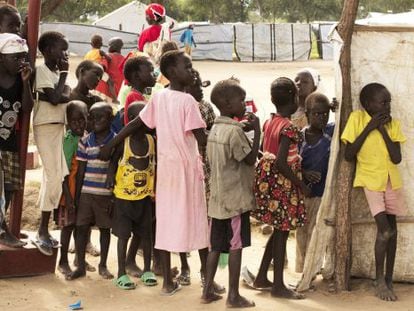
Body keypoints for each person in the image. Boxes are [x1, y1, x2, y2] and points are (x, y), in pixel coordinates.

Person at [99, 50, 209, 296]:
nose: (191, 71)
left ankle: (169, 282)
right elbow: (202, 139)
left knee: (167, 222)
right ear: (171, 73)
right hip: (186, 171)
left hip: (166, 171)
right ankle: (207, 281)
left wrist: (111, 143)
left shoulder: (159, 98)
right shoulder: (189, 102)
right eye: (187, 66)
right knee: (199, 222)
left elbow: (136, 124)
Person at [341, 83, 406, 301]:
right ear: (368, 104)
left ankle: (388, 278)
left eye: (389, 102)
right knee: (385, 231)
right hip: (371, 182)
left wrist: (381, 129)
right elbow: (349, 154)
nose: (388, 106)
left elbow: (396, 158)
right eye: (383, 102)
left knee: (393, 232)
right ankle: (378, 280)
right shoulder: (356, 120)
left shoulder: (392, 124)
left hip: (390, 181)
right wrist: (370, 127)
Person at [201, 79, 260, 308]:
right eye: (241, 100)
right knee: (236, 246)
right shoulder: (235, 132)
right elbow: (249, 159)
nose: (244, 104)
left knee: (216, 246)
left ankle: (207, 290)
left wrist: (242, 129)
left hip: (217, 200)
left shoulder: (216, 127)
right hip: (235, 200)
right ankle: (233, 296)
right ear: (227, 103)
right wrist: (257, 130)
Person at [250, 77, 310, 299]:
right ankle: (277, 286)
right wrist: (300, 184)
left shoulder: (270, 121)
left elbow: (267, 153)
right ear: (294, 98)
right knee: (283, 233)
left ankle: (261, 277)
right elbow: (282, 162)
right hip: (283, 185)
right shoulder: (289, 128)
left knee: (278, 231)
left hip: (270, 184)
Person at [107, 101, 157, 290]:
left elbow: (155, 164)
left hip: (144, 197)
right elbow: (113, 162)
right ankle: (121, 272)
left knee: (146, 234)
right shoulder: (124, 143)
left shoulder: (151, 141)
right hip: (123, 199)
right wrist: (110, 179)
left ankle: (147, 270)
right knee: (123, 236)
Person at [67, 102, 116, 281]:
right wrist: (77, 197)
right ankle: (80, 265)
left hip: (105, 194)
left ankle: (103, 264)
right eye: (92, 117)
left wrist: (113, 197)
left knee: (104, 229)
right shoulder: (85, 142)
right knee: (81, 228)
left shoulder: (115, 140)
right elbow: (80, 171)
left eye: (100, 117)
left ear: (111, 119)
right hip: (87, 193)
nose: (94, 121)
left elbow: (116, 167)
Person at [33, 31, 71, 256]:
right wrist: (64, 78)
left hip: (59, 126)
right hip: (45, 126)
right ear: (47, 51)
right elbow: (58, 98)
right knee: (53, 176)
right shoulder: (42, 71)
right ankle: (41, 229)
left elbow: (65, 96)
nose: (65, 54)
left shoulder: (55, 74)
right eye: (61, 49)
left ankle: (44, 228)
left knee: (57, 175)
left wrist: (59, 92)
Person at [295, 92, 334, 273]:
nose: (322, 117)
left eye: (325, 113)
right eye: (317, 114)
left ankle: (317, 267)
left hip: (323, 195)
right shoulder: (300, 138)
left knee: (319, 232)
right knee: (303, 234)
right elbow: (292, 165)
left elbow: (344, 120)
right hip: (305, 195)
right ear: (307, 115)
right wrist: (305, 173)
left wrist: (335, 107)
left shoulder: (330, 132)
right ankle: (305, 269)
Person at [0, 33, 33, 247]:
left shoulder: (21, 79)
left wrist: (26, 83)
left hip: (8, 140)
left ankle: (2, 226)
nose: (21, 63)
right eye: (15, 58)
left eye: (23, 58)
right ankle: (3, 231)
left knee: (11, 186)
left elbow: (28, 108)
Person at [54, 100, 88, 276]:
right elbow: (64, 172)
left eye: (82, 120)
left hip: (83, 194)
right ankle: (63, 260)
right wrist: (68, 198)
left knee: (81, 227)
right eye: (74, 121)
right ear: (67, 122)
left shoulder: (87, 138)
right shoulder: (69, 140)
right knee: (67, 227)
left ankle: (79, 260)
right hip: (70, 194)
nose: (79, 124)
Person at [123, 56, 156, 124]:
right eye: (151, 71)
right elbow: (144, 123)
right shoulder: (134, 96)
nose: (155, 75)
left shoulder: (138, 95)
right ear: (137, 76)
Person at [95, 37, 125, 103]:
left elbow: (100, 69)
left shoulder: (108, 56)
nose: (108, 47)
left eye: (109, 45)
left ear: (113, 46)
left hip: (104, 93)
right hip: (119, 94)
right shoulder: (125, 60)